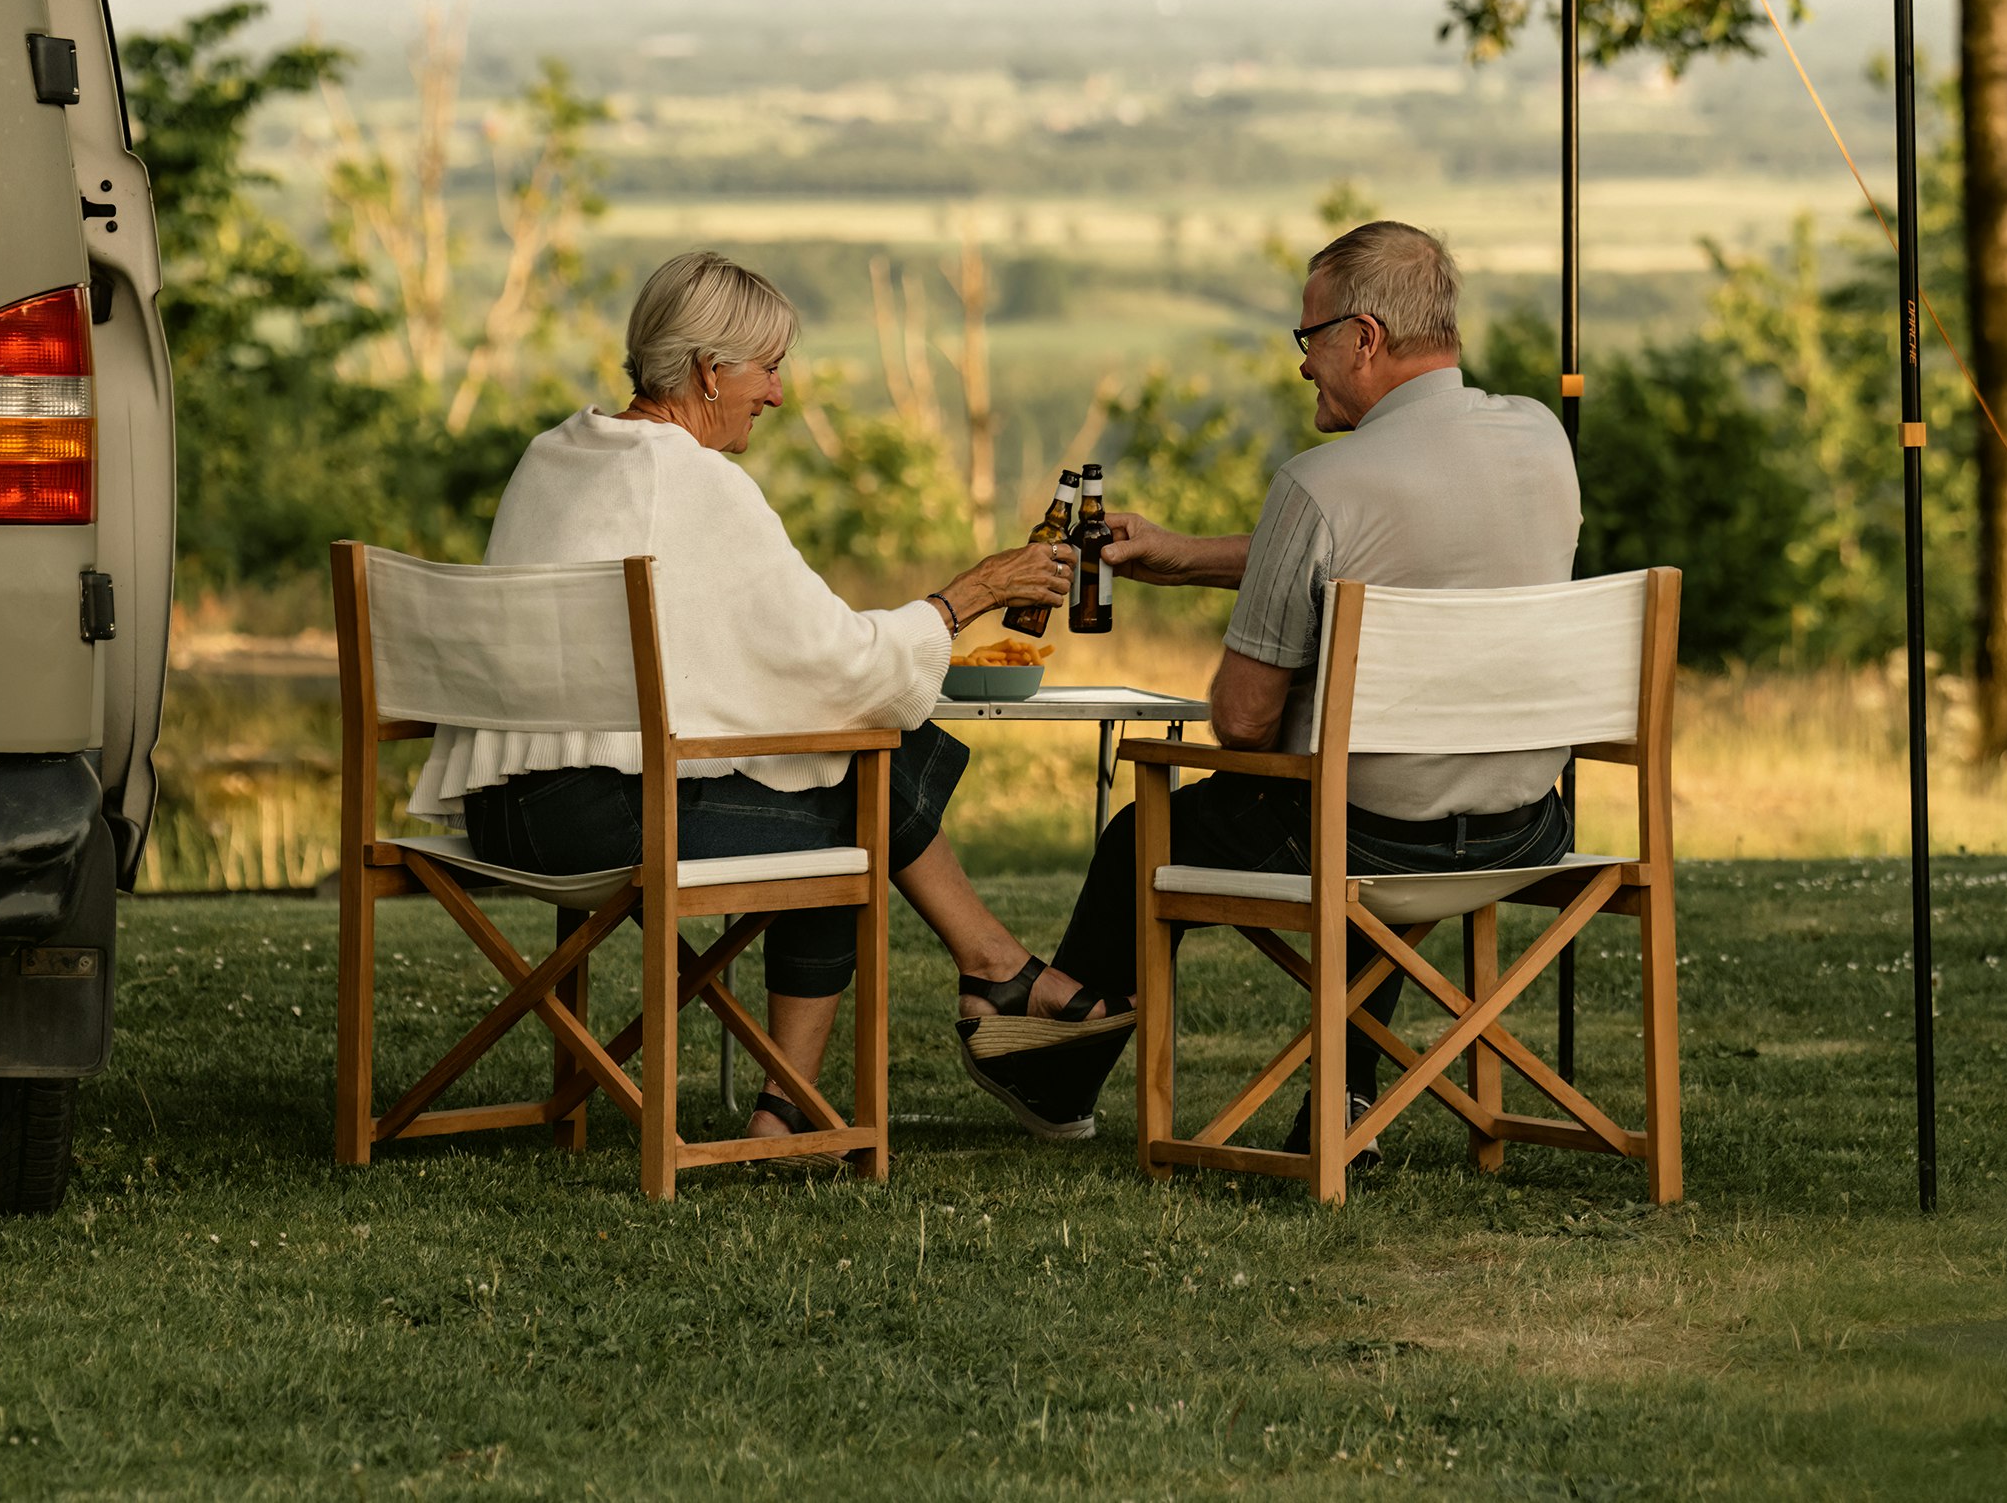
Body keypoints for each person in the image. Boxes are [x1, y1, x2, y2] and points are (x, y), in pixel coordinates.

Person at [407, 250, 1128, 1154]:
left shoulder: (555, 455)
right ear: (710, 370)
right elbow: (839, 660)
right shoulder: (695, 482)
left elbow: (724, 661)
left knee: (848, 782)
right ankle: (950, 1006)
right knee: (853, 807)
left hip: (502, 811)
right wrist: (973, 591)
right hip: (598, 818)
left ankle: (936, 1013)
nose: (778, 394)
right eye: (769, 368)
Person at [956, 221, 1584, 1158]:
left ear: (1364, 337)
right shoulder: (1540, 435)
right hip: (1528, 824)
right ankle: (1345, 1103)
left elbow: (1243, 723)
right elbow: (1393, 553)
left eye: (1309, 337)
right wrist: (1180, 555)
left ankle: (1057, 1068)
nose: (1302, 365)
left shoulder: (1321, 481)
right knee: (1362, 797)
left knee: (1163, 830)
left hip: (1365, 830)